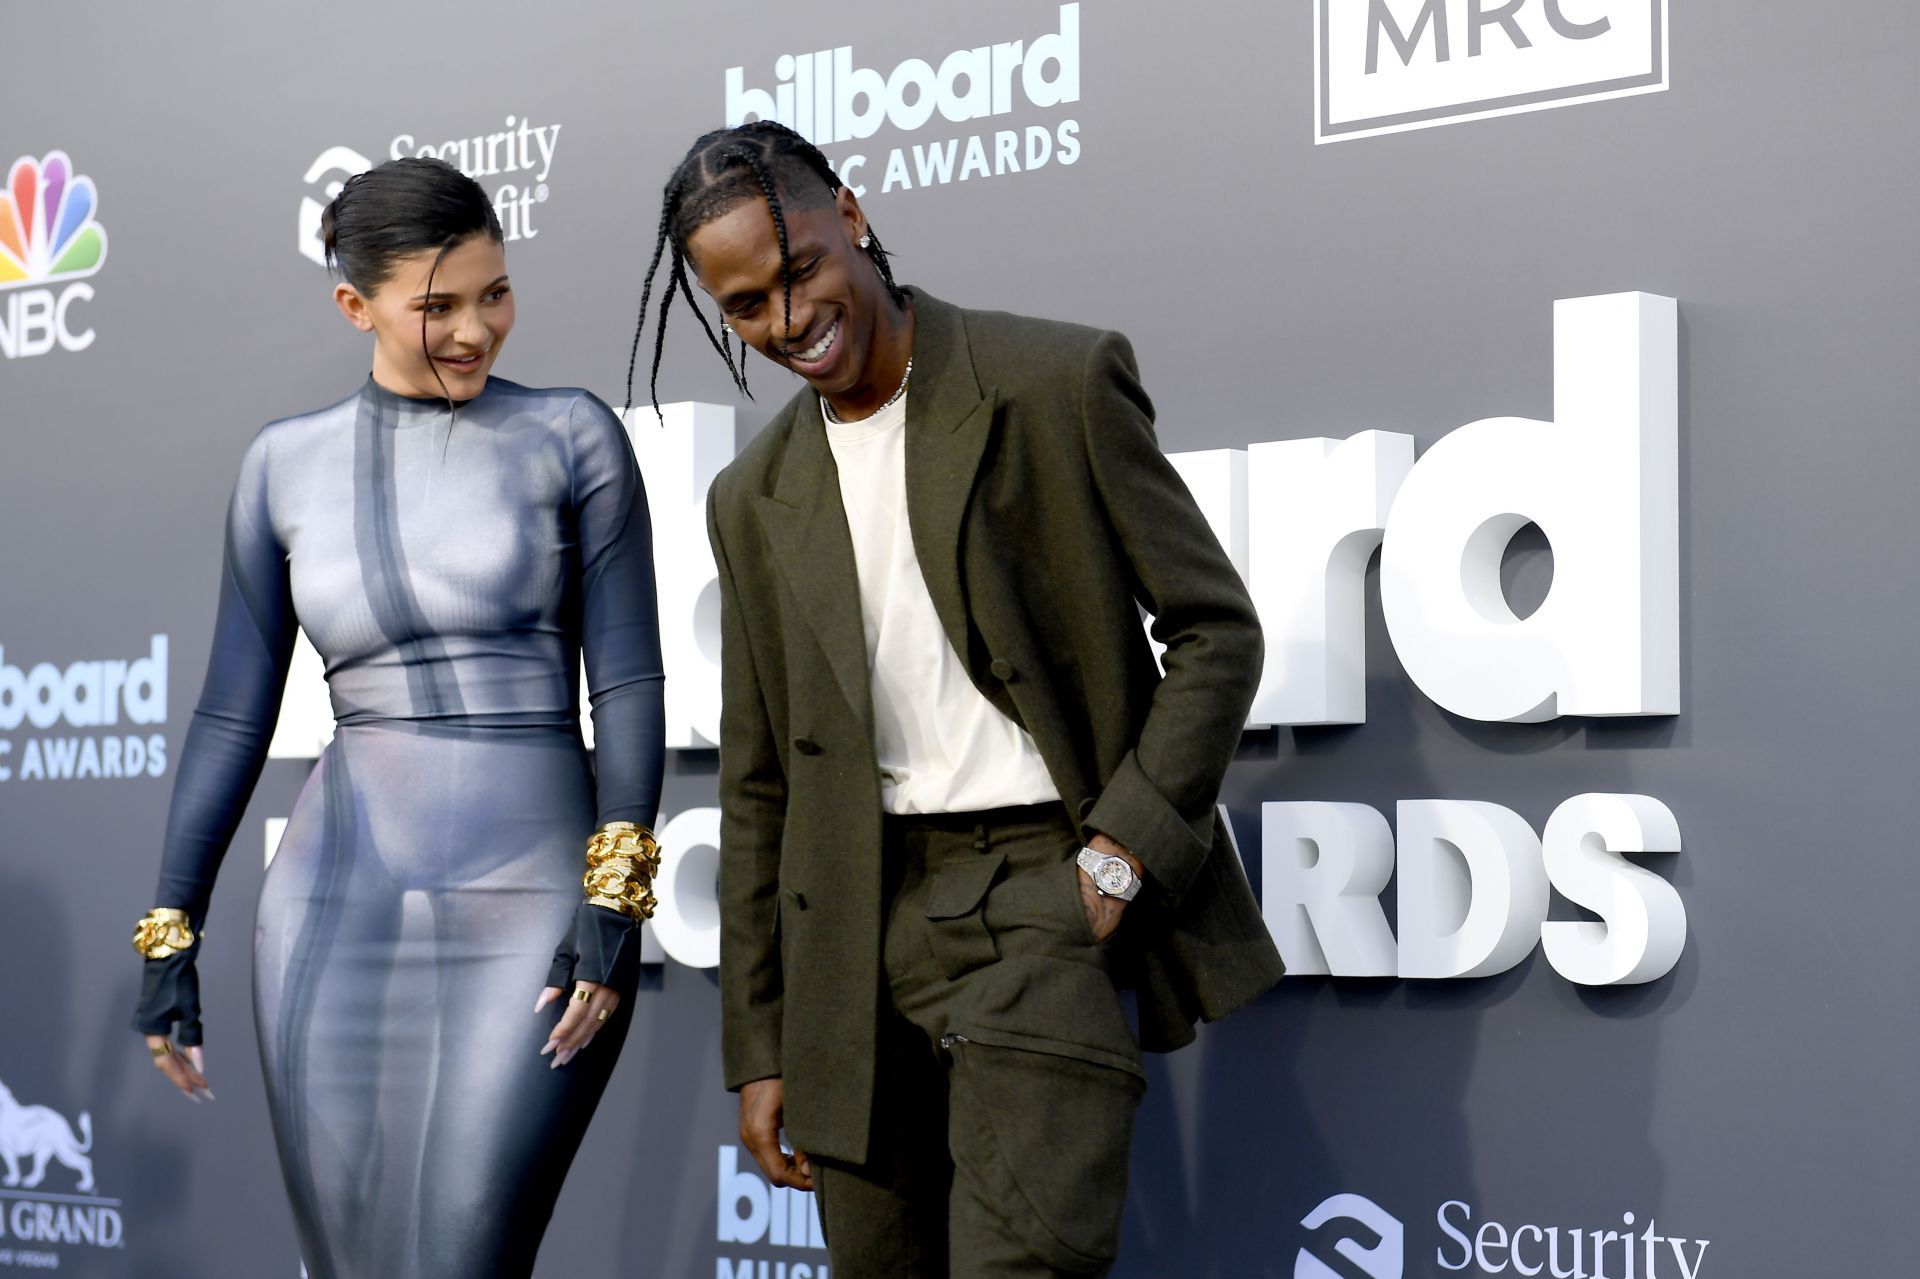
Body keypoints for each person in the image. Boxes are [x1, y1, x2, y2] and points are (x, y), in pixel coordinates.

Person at [629, 121, 1283, 1277]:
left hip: (1041, 901)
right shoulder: (752, 496)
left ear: (851, 214)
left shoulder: (1054, 383)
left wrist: (1119, 853)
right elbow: (760, 784)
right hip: (853, 944)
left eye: (801, 270)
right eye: (746, 307)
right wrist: (762, 1043)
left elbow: (1216, 632)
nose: (789, 320)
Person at [129, 157, 665, 1279]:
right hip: (334, 905)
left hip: (531, 895)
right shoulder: (280, 466)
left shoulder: (572, 436)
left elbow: (624, 682)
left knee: (466, 1253)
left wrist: (614, 895)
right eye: (438, 306)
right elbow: (230, 714)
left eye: (495, 293)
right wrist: (173, 929)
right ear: (354, 305)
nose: (476, 329)